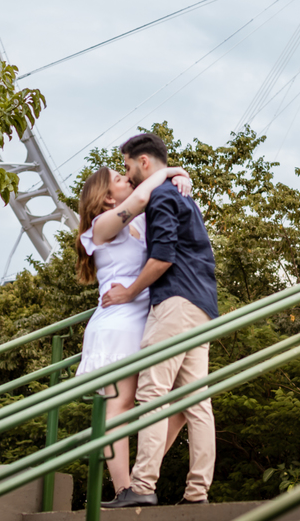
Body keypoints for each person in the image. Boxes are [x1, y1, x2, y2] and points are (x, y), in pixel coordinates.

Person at [100, 132, 218, 507]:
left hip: (174, 303)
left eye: (127, 166)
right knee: (196, 401)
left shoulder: (162, 196)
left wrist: (130, 291)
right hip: (202, 304)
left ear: (144, 161)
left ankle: (142, 486)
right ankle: (197, 492)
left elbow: (163, 256)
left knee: (153, 394)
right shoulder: (182, 194)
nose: (127, 174)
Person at [75, 163, 193, 499]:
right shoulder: (101, 226)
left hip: (148, 320)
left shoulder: (140, 220)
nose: (126, 178)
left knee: (183, 402)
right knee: (121, 406)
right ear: (107, 198)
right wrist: (171, 169)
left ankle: (142, 474)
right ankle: (124, 489)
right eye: (117, 178)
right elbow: (142, 195)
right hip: (118, 324)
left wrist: (180, 178)